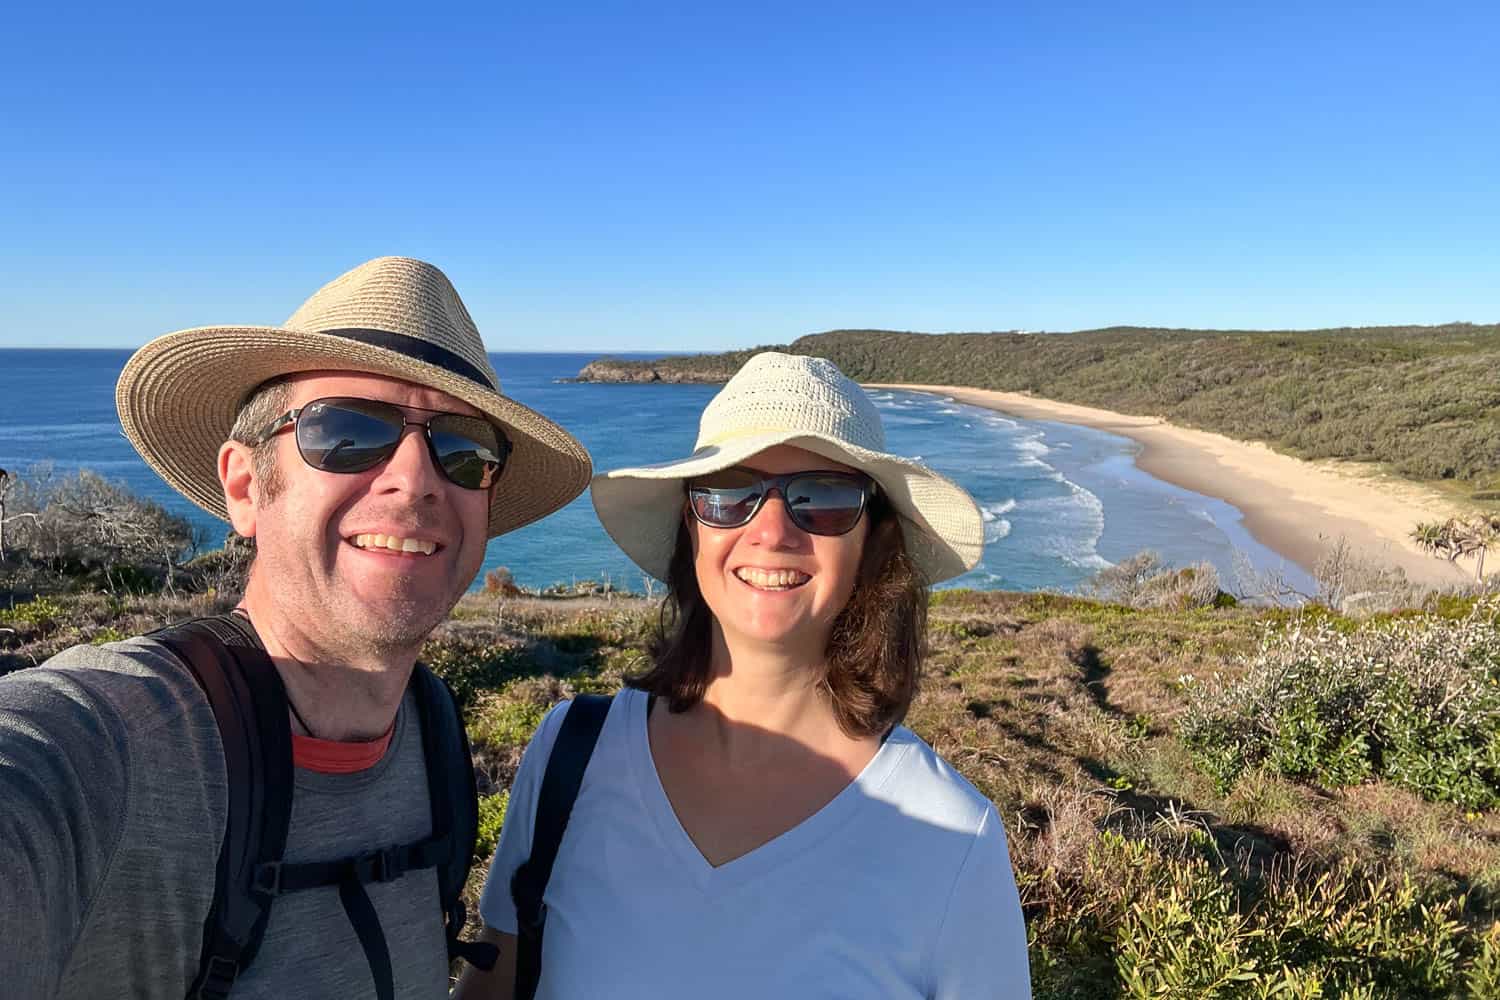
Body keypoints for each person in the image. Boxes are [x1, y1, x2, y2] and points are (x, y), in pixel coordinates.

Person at [0, 257, 592, 999]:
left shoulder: (434, 736)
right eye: (345, 431)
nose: (415, 476)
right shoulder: (105, 749)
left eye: (462, 449)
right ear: (246, 487)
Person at [456, 352, 1031, 998]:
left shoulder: (952, 841)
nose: (772, 531)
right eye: (730, 493)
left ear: (872, 541)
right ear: (691, 525)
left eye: (822, 498)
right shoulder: (571, 756)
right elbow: (496, 980)